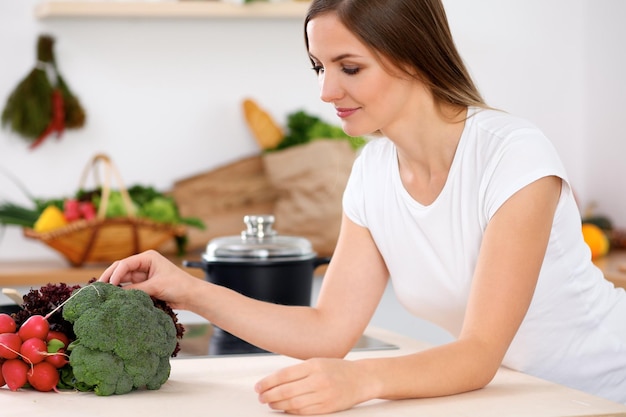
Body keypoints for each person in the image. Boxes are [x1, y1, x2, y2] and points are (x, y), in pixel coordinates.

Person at [99, 0, 626, 414]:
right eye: (318, 66)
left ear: (412, 55)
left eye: (349, 67)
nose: (326, 90)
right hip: (519, 396)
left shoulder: (512, 155)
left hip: (603, 391)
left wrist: (362, 377)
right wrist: (189, 290)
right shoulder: (374, 171)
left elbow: (479, 351)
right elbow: (328, 330)